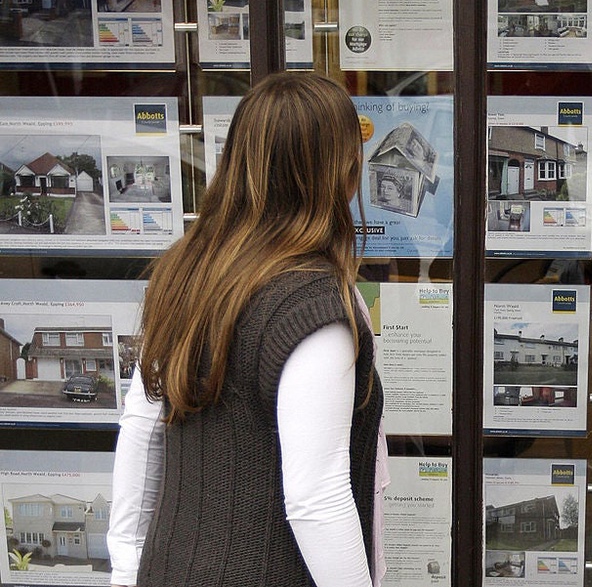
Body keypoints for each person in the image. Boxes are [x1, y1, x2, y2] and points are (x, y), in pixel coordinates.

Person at [107, 71, 388, 587]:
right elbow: (317, 499)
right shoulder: (314, 308)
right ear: (342, 173)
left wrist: (126, 568)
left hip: (169, 568)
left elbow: (141, 428)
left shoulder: (187, 271)